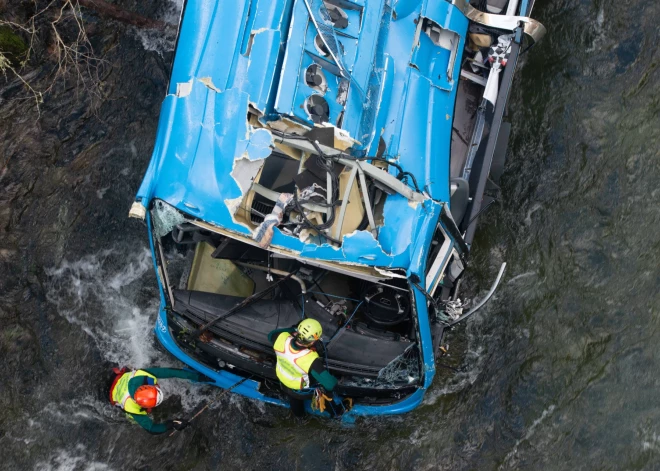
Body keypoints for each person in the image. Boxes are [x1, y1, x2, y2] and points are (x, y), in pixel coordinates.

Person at [268, 319, 349, 418]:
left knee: (295, 402)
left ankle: (300, 417)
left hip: (283, 379)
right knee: (324, 391)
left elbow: (271, 334)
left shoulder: (280, 337)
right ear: (313, 341)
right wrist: (332, 387)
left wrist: (294, 329)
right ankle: (337, 412)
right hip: (300, 390)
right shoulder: (310, 359)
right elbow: (330, 384)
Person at [109, 367, 210, 434]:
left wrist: (197, 377)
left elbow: (171, 372)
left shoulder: (143, 374)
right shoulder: (130, 407)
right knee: (132, 420)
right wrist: (171, 424)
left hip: (118, 377)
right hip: (112, 393)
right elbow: (151, 429)